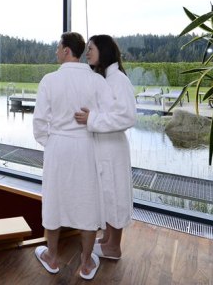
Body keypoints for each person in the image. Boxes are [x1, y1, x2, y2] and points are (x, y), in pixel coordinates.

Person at [33, 32, 114, 280]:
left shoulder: (49, 80)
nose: (56, 51)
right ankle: (86, 262)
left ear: (67, 50)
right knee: (88, 203)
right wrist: (91, 122)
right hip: (86, 146)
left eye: (58, 47)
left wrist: (52, 142)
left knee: (54, 200)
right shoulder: (97, 81)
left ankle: (52, 257)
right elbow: (110, 115)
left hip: (58, 147)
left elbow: (39, 122)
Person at [74, 34, 137, 260]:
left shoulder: (118, 79)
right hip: (104, 147)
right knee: (107, 194)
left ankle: (114, 248)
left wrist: (92, 119)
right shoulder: (107, 79)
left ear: (104, 50)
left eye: (91, 48)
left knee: (116, 195)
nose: (87, 52)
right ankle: (108, 239)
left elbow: (127, 116)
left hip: (113, 149)